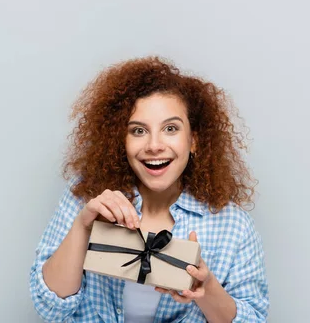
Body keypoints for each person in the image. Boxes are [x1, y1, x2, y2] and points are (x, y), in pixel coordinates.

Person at [29, 56, 269, 322]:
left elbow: (254, 318)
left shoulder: (232, 226)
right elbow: (49, 306)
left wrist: (207, 288)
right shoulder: (86, 198)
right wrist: (83, 226)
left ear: (194, 141)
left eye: (170, 128)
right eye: (138, 130)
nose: (154, 145)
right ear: (121, 141)